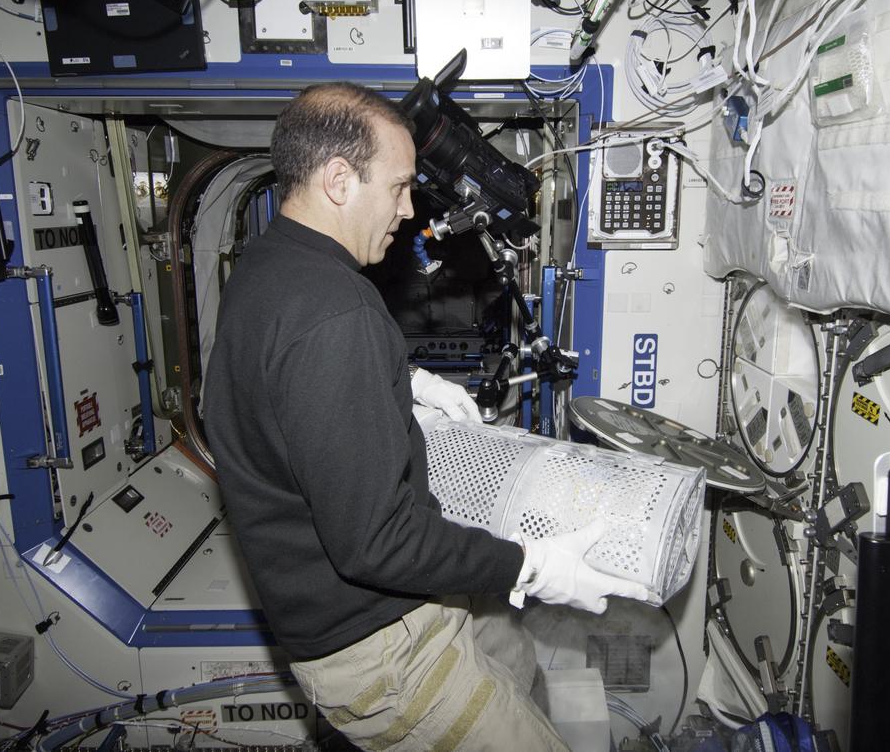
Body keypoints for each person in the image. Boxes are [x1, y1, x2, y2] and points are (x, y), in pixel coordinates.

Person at [204, 82, 648, 752]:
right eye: (401, 186)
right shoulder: (336, 312)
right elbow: (377, 544)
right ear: (338, 180)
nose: (410, 211)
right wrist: (532, 566)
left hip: (395, 610)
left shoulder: (269, 266)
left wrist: (398, 382)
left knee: (517, 661)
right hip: (387, 652)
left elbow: (281, 379)